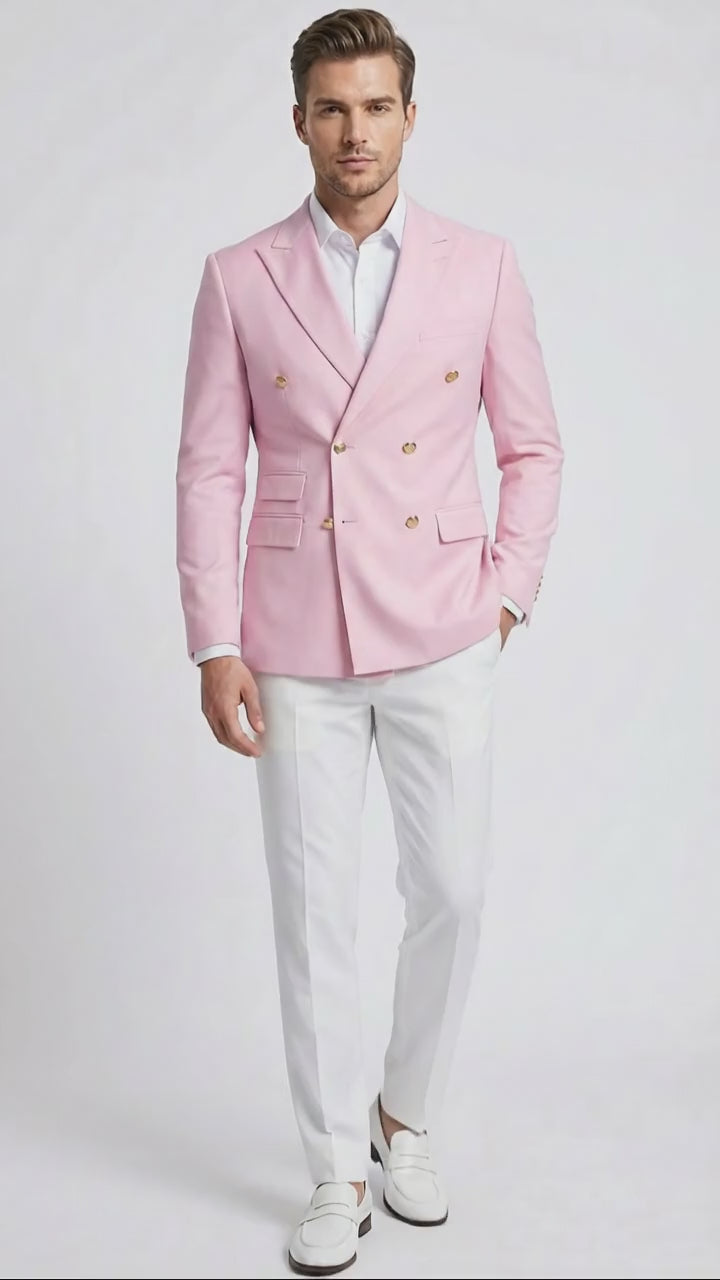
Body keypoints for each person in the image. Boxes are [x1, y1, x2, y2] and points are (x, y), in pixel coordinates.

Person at [175, 7, 563, 1275]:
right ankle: (337, 1165)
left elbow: (533, 445)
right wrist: (213, 638)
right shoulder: (239, 276)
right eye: (333, 109)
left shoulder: (481, 265)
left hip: (444, 621)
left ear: (410, 117)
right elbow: (208, 467)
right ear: (299, 122)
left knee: (453, 888)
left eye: (377, 106)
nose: (356, 132)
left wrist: (506, 594)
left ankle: (407, 1115)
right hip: (292, 633)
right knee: (313, 912)